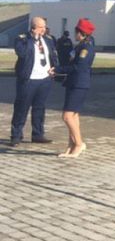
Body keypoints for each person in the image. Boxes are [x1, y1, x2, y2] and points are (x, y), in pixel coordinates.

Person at [10, 17, 58, 146]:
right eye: (41, 27)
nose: (44, 29)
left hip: (44, 79)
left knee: (39, 108)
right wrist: (33, 39)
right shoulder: (22, 39)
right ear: (33, 28)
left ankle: (38, 134)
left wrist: (55, 68)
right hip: (29, 80)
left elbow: (53, 55)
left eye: (45, 27)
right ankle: (16, 135)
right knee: (21, 108)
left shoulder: (48, 39)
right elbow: (22, 53)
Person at [55, 18, 96, 158]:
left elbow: (78, 67)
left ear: (81, 33)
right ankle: (71, 145)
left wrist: (58, 69)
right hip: (73, 83)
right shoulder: (80, 46)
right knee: (73, 116)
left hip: (79, 84)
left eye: (76, 32)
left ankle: (79, 144)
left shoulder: (86, 48)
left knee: (67, 116)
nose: (74, 34)